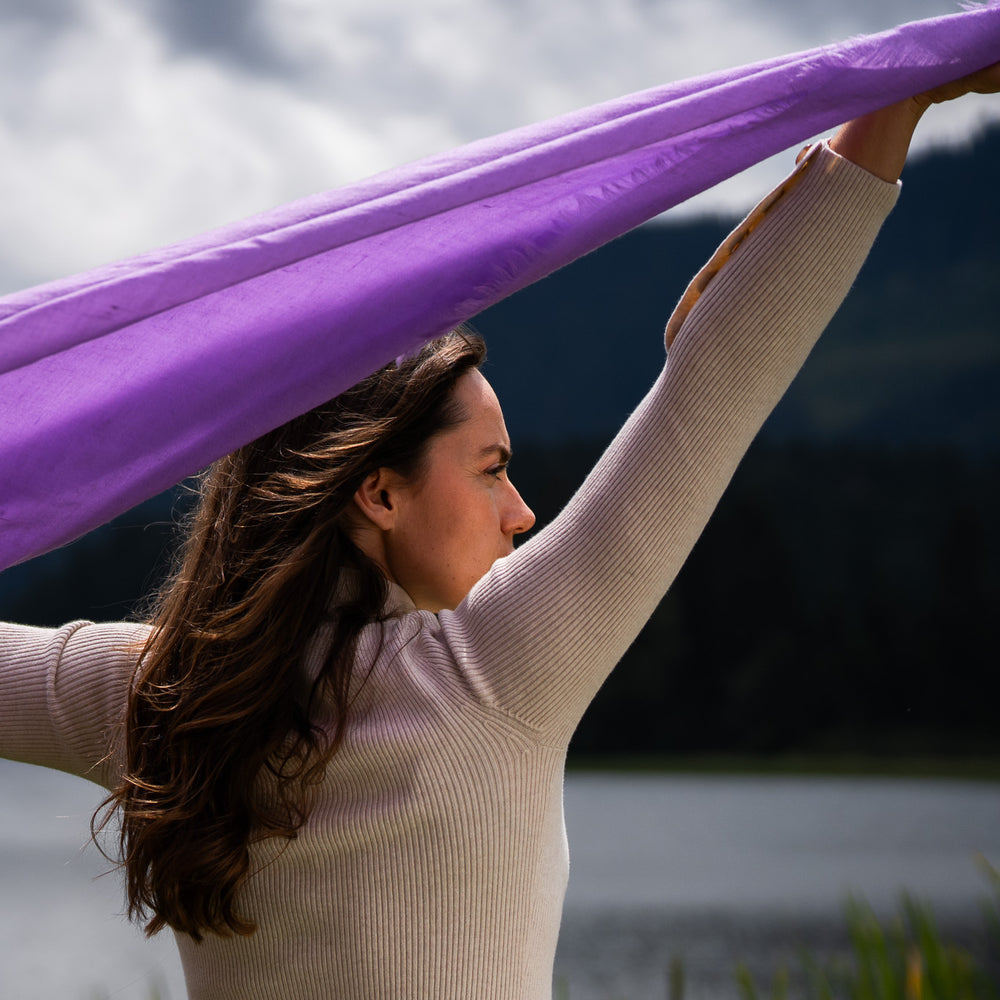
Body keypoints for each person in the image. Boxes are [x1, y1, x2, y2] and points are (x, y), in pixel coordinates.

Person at [2, 65, 998, 1000]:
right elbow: (718, 382)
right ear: (377, 493)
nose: (521, 511)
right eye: (491, 470)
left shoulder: (152, 694)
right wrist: (895, 104)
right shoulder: (497, 664)